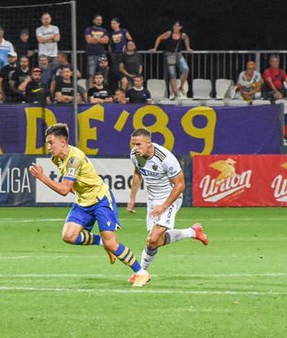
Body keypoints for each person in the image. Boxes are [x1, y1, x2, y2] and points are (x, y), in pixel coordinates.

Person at [30, 123, 150, 286]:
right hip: (83, 201)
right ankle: (102, 242)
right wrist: (80, 196)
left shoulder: (75, 158)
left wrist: (42, 177)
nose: (49, 147)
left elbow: (65, 189)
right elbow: (72, 186)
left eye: (51, 142)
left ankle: (141, 272)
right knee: (68, 236)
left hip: (100, 200)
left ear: (63, 142)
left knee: (112, 243)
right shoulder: (57, 158)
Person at [126, 127, 208, 283]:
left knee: (153, 238)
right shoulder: (135, 155)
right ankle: (193, 232)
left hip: (170, 198)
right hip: (153, 200)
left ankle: (141, 273)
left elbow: (180, 185)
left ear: (149, 143)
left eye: (138, 145)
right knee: (153, 242)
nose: (135, 148)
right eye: (133, 145)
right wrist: (132, 198)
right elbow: (138, 173)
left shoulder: (165, 159)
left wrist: (164, 206)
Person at [153, 20, 192, 99]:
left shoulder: (182, 35)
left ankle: (181, 86)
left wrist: (188, 48)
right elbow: (159, 38)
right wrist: (155, 48)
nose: (175, 27)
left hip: (178, 54)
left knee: (186, 69)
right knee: (172, 74)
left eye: (177, 26)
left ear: (180, 27)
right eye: (174, 26)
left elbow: (186, 39)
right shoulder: (169, 33)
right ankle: (176, 94)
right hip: (169, 54)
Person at [84, 14, 109, 88]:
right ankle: (91, 91)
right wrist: (101, 39)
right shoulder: (88, 29)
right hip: (91, 55)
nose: (99, 21)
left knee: (104, 73)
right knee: (91, 74)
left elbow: (106, 41)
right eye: (97, 20)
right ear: (93, 20)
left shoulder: (104, 30)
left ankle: (103, 90)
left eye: (100, 20)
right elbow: (89, 40)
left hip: (102, 54)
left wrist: (95, 38)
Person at [109, 18, 133, 84]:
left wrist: (128, 49)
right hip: (114, 54)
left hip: (122, 53)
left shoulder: (123, 31)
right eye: (111, 24)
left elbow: (130, 39)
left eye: (114, 23)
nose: (112, 25)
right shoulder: (111, 33)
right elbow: (110, 44)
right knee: (115, 71)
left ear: (118, 24)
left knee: (123, 69)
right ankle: (118, 85)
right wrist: (111, 53)